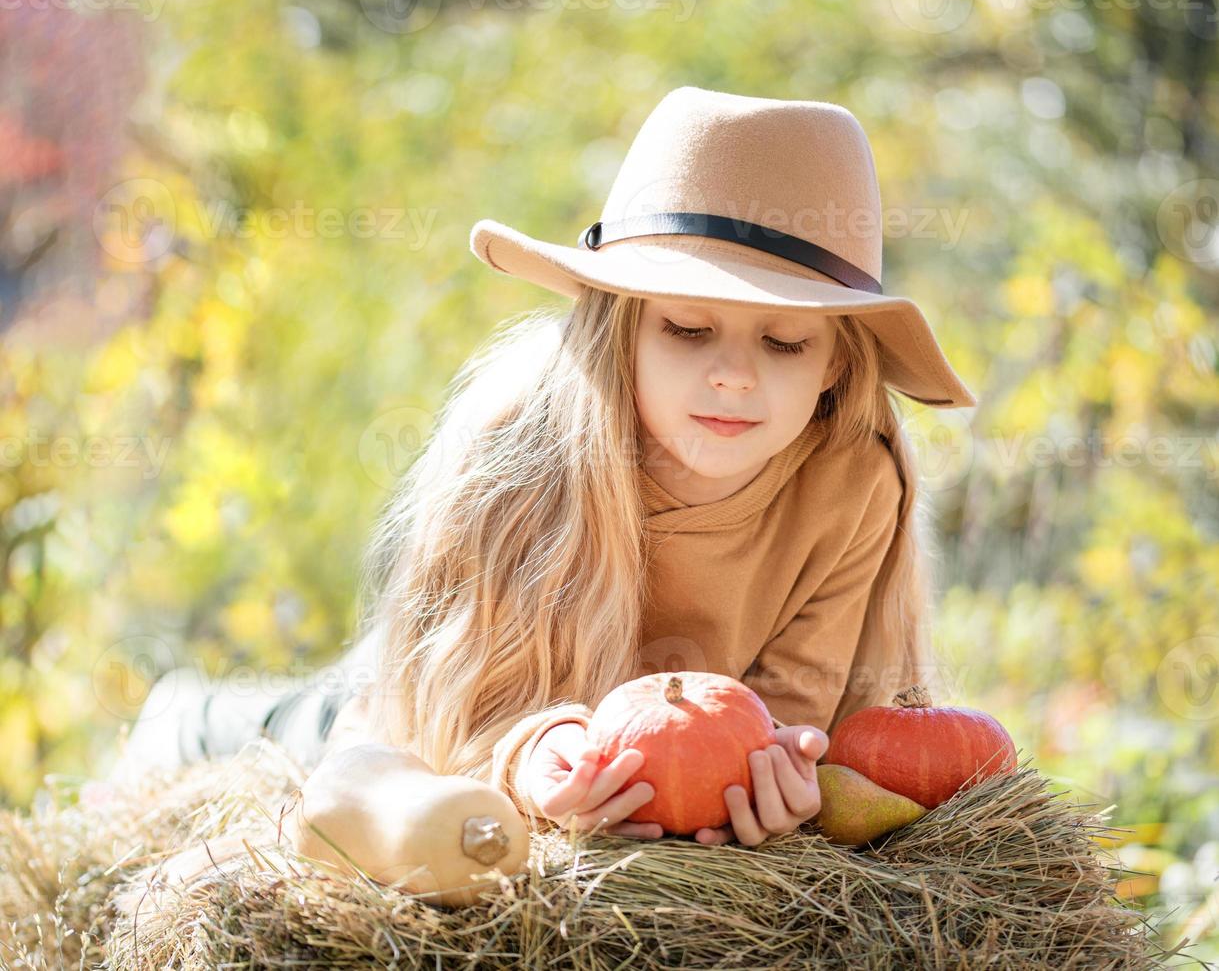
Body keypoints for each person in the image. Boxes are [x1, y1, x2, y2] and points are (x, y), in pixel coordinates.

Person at [108, 85, 977, 848]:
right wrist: (529, 766)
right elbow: (449, 709)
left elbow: (793, 707)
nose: (733, 374)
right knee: (303, 734)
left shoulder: (856, 482)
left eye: (783, 341)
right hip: (409, 702)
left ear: (832, 361)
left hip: (649, 743)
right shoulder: (521, 445)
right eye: (686, 328)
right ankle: (183, 715)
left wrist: (771, 775)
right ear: (621, 326)